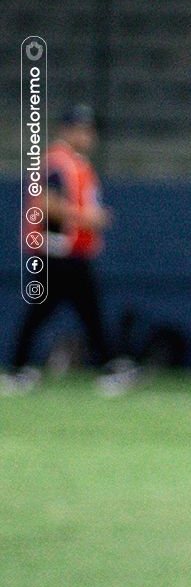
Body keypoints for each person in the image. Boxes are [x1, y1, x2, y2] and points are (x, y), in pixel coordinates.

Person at [5, 104, 134, 396]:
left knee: (73, 310)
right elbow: (45, 202)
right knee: (72, 310)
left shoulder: (77, 163)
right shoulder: (57, 162)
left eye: (90, 130)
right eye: (82, 129)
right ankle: (110, 367)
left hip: (71, 252)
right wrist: (86, 217)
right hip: (57, 252)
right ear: (67, 130)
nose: (88, 136)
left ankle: (20, 368)